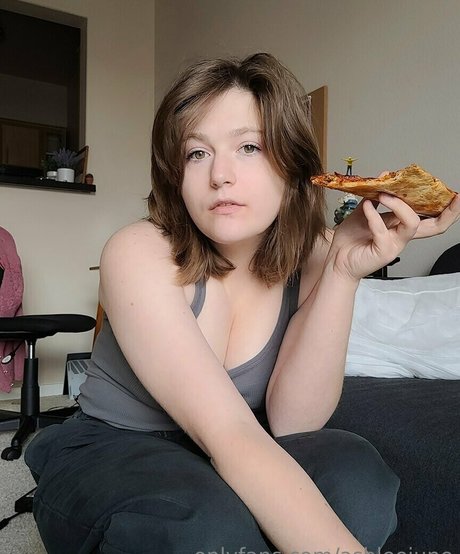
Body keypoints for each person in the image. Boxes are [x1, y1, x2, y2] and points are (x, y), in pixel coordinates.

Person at [25, 53, 460, 554]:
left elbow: (294, 423)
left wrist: (342, 273)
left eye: (248, 147)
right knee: (204, 527)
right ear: (176, 174)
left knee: (357, 478)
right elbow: (229, 433)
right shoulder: (137, 251)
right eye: (197, 153)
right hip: (117, 447)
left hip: (243, 442)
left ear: (292, 167)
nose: (220, 175)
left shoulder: (317, 251)